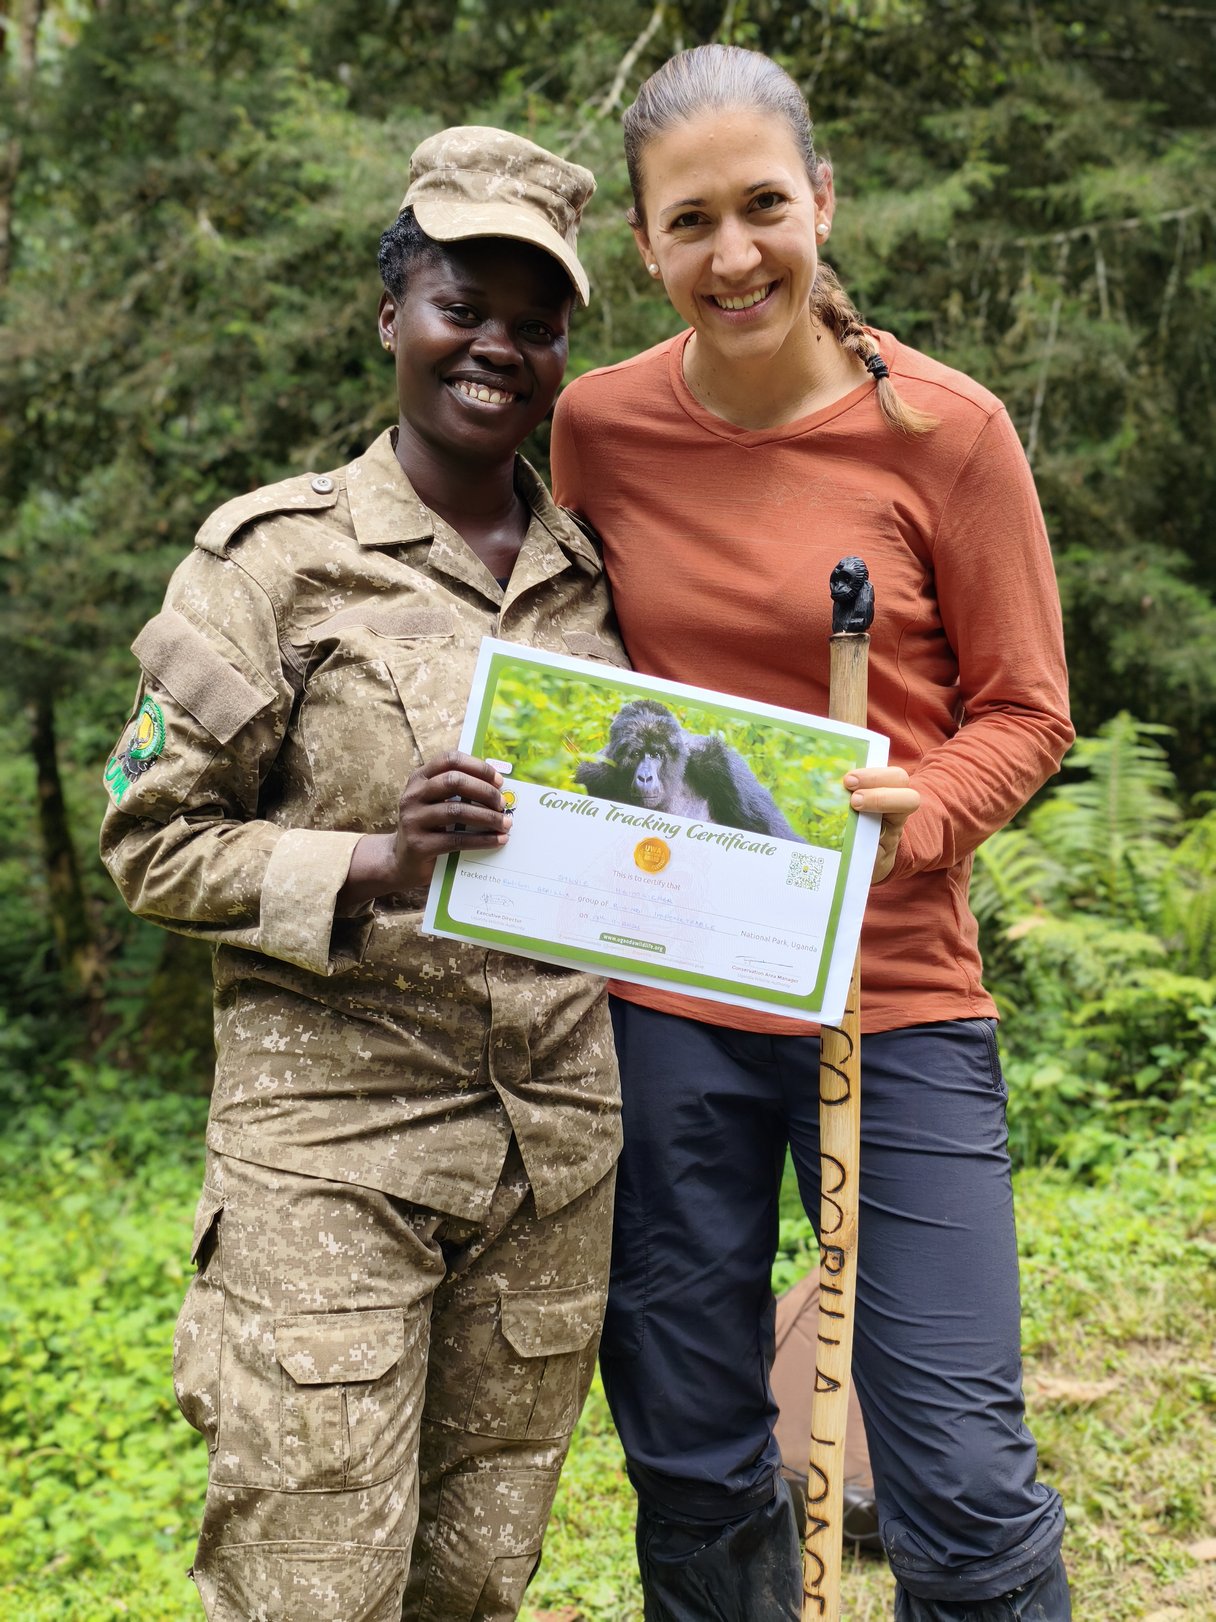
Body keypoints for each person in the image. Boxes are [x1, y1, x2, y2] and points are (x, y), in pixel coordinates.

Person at [550, 44, 1076, 1622]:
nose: (735, 255)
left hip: (895, 993)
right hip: (672, 1004)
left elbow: (1029, 711)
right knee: (696, 1458)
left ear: (823, 200)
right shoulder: (597, 429)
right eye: (691, 221)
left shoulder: (947, 433)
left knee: (961, 1474)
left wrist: (927, 814)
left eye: (765, 206)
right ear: (645, 245)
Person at [100, 127, 626, 1622]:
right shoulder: (270, 561)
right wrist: (375, 858)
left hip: (547, 1154)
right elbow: (146, 833)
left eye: (538, 326)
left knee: (472, 1581)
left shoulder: (593, 575)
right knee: (309, 1590)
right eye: (464, 303)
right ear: (392, 311)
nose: (498, 348)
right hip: (331, 1157)